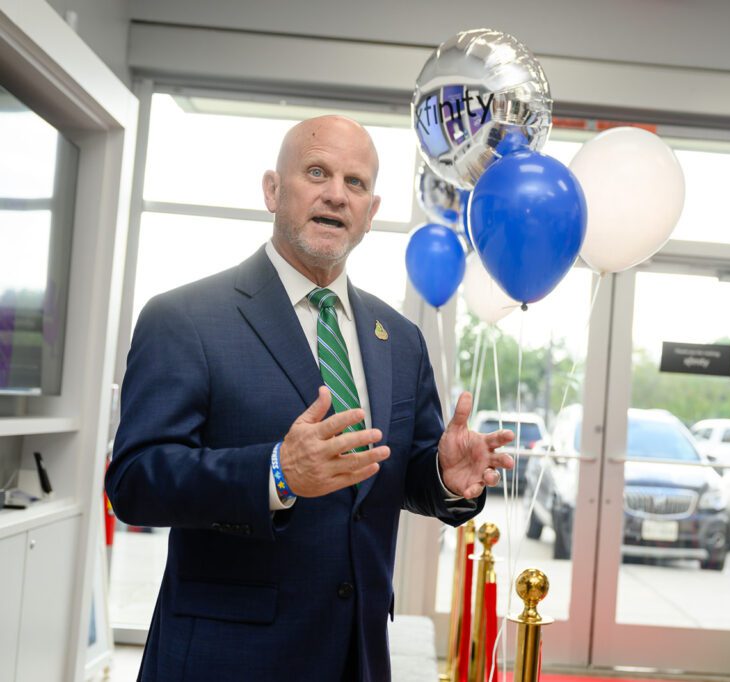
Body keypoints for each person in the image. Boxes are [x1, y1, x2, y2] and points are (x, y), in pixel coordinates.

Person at [105, 115, 514, 681]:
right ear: (273, 189)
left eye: (355, 183)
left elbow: (396, 478)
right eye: (317, 172)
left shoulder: (399, 338)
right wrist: (276, 472)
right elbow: (135, 482)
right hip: (225, 659)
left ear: (371, 213)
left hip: (357, 654)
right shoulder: (184, 318)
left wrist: (444, 476)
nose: (335, 195)